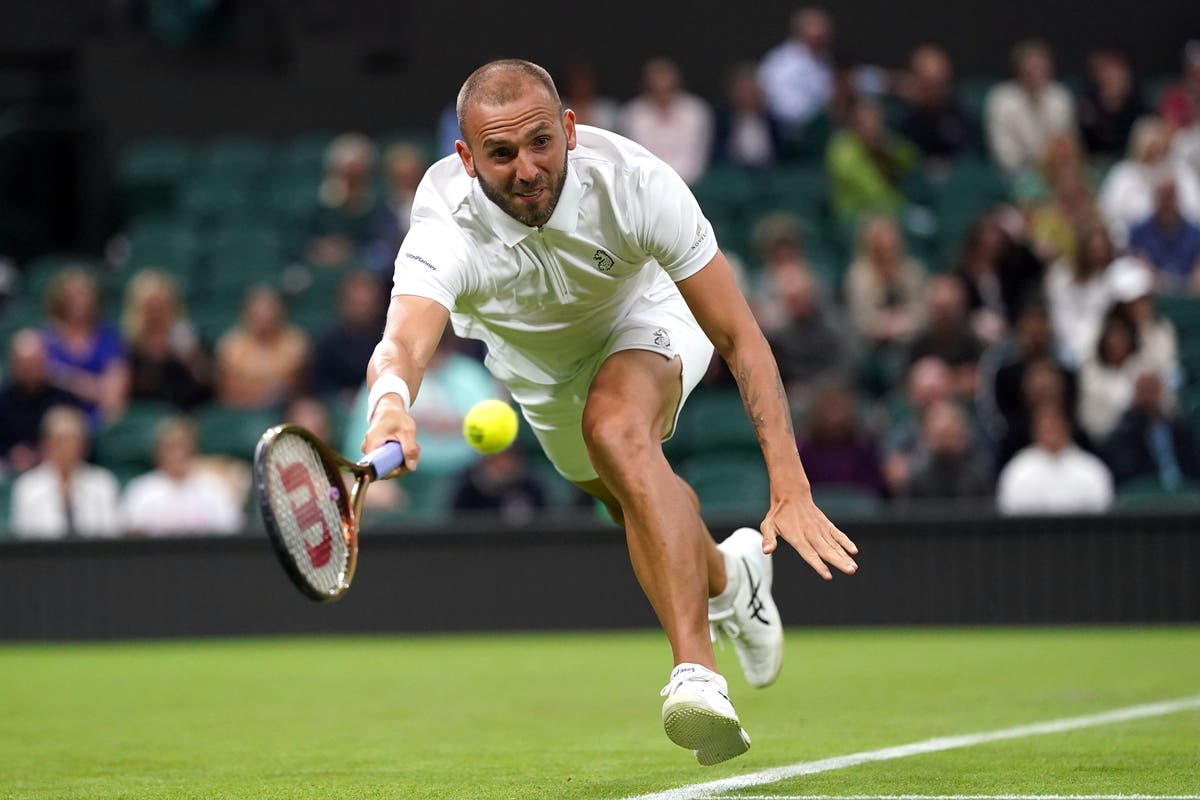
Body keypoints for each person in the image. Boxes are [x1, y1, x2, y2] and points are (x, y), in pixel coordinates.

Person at [361, 59, 858, 765]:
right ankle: (732, 576)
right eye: (501, 154)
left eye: (540, 142)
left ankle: (697, 675)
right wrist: (390, 406)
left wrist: (789, 480)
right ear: (467, 159)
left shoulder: (635, 183)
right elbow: (404, 342)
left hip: (647, 314)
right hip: (538, 373)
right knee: (633, 499)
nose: (527, 168)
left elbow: (739, 335)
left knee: (617, 432)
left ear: (569, 129)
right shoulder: (445, 223)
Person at [120, 417, 243, 536]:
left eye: (182, 446)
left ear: (193, 449)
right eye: (170, 448)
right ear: (157, 452)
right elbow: (129, 536)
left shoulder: (213, 488)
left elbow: (230, 531)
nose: (177, 454)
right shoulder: (141, 490)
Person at [10, 405, 120, 538]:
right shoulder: (28, 486)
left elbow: (112, 536)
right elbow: (22, 540)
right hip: (44, 557)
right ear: (47, 443)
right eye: (60, 440)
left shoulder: (102, 482)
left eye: (74, 439)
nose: (67, 447)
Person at [41, 266, 128, 424]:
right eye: (73, 295)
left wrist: (63, 378)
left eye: (85, 295)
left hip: (98, 422)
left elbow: (113, 396)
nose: (80, 301)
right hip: (54, 423)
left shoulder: (109, 338)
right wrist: (94, 386)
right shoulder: (45, 340)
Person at [1097, 116, 1200, 247]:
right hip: (1134, 248)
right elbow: (1108, 216)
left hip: (1182, 248)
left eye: (1158, 143)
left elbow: (1195, 212)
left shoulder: (1182, 172)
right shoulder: (1123, 174)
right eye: (1149, 146)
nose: (1154, 150)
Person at [996, 402, 1113, 514]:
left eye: (1055, 423)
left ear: (1068, 427)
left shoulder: (1091, 470)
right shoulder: (1018, 470)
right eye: (1044, 425)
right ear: (1034, 429)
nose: (1051, 430)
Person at [121, 269, 211, 410]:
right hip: (143, 412)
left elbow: (207, 382)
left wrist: (191, 356)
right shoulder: (129, 344)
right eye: (151, 307)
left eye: (161, 306)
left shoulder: (187, 336)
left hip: (186, 411)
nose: (156, 313)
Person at [985, 39, 1077, 175]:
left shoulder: (1060, 97)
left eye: (1041, 69)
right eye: (1030, 69)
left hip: (1056, 173)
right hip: (1015, 174)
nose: (1036, 75)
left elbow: (1066, 145)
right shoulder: (1000, 100)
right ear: (1018, 70)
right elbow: (1005, 156)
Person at [619, 57, 713, 185]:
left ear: (678, 86)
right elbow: (639, 157)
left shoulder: (696, 111)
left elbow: (695, 159)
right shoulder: (633, 114)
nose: (663, 96)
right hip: (647, 183)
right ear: (646, 89)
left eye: (668, 90)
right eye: (656, 90)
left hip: (691, 183)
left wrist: (678, 185)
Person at [214, 286, 310, 409]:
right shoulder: (231, 345)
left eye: (269, 313)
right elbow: (227, 390)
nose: (265, 320)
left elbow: (300, 384)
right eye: (258, 315)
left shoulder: (296, 342)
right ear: (247, 315)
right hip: (243, 411)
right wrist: (261, 394)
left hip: (287, 408)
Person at [1100, 371, 1200, 488]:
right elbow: (1129, 472)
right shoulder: (1124, 433)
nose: (1150, 397)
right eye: (1145, 391)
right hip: (1146, 495)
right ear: (1135, 394)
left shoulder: (1177, 428)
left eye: (1153, 390)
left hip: (1185, 493)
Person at [0, 329, 81, 473]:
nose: (31, 369)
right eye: (25, 364)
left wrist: (45, 452)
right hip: (8, 465)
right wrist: (12, 452)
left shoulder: (63, 398)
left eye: (35, 363)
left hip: (54, 465)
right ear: (14, 365)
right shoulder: (3, 398)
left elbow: (77, 437)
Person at [826, 99, 918, 221]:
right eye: (865, 123)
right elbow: (870, 189)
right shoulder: (843, 148)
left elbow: (911, 159)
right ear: (854, 125)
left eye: (875, 122)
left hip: (886, 211)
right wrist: (896, 208)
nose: (871, 127)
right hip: (854, 215)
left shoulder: (884, 143)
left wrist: (888, 147)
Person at [310, 270, 388, 401]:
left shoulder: (389, 338)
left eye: (366, 305)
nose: (361, 310)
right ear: (343, 303)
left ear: (378, 304)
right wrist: (340, 396)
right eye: (355, 304)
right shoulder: (328, 340)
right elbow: (320, 385)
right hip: (338, 407)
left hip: (381, 400)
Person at [757, 7, 834, 134]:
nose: (820, 41)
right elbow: (775, 102)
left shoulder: (827, 60)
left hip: (821, 129)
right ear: (801, 32)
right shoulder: (780, 61)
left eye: (823, 37)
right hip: (787, 133)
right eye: (816, 37)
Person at [900, 399, 994, 503]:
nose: (946, 443)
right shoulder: (916, 479)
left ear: (962, 432)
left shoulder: (979, 475)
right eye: (941, 436)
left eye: (950, 435)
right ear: (926, 435)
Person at [896, 44, 974, 164]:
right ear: (915, 81)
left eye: (941, 84)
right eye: (930, 85)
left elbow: (968, 156)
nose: (936, 91)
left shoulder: (958, 110)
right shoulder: (902, 119)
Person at [1128, 179, 1200, 291]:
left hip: (1190, 295)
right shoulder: (1139, 232)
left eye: (1170, 198)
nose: (1167, 205)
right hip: (1151, 295)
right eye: (1163, 199)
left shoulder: (1196, 232)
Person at [711, 63, 783, 169]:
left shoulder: (773, 122)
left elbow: (783, 156)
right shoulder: (721, 123)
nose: (748, 97)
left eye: (752, 91)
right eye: (743, 91)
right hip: (732, 175)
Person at [1076, 48, 1144, 158]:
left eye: (1118, 76)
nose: (1114, 79)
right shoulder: (1088, 104)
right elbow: (1085, 143)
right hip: (1095, 162)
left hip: (1130, 159)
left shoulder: (1137, 104)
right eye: (1109, 76)